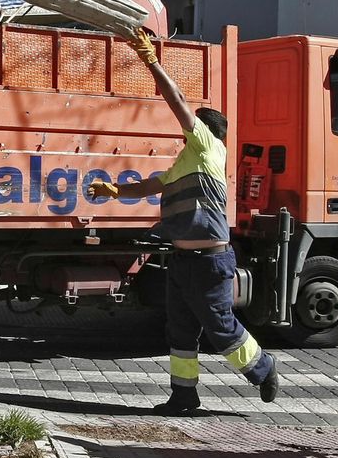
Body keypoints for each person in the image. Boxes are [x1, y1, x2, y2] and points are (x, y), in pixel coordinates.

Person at [87, 35, 279, 414]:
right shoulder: (184, 163)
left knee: (221, 328)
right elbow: (149, 185)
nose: (184, 133)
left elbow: (176, 102)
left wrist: (151, 60)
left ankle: (262, 367)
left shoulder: (208, 148)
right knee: (180, 332)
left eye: (190, 129)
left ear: (204, 131)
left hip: (210, 261)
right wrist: (114, 191)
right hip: (183, 262)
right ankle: (184, 395)